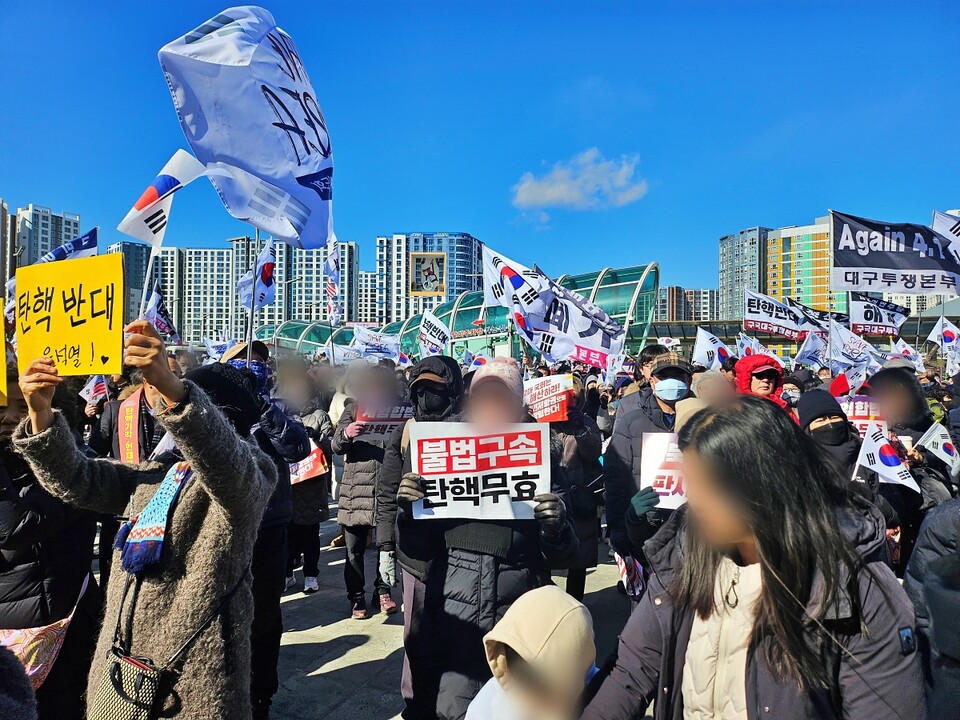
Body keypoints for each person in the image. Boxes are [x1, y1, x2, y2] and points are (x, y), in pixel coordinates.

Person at [582, 396, 925, 720]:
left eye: (709, 485)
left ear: (765, 481)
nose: (694, 499)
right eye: (691, 481)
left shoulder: (856, 588)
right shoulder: (683, 554)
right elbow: (633, 669)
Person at [13, 322, 277, 719]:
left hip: (189, 680)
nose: (156, 406)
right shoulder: (162, 471)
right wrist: (39, 414)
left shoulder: (252, 473)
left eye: (172, 398)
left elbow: (227, 465)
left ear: (216, 414)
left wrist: (177, 393)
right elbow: (78, 480)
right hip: (119, 669)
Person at [388, 357, 580, 720]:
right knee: (450, 707)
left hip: (519, 611)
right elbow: (418, 550)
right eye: (482, 399)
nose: (491, 408)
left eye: (501, 399)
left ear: (520, 405)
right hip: (452, 611)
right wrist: (408, 514)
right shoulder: (440, 452)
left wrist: (556, 526)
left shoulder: (542, 456)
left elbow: (566, 556)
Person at [0, 368, 101, 720]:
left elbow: (17, 530)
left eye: (22, 404)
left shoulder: (73, 464)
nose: (11, 416)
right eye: (1, 406)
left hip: (54, 629)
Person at [223, 341, 310, 720]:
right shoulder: (207, 405)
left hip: (269, 525)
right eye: (242, 361)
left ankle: (261, 697)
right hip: (221, 529)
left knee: (264, 618)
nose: (252, 366)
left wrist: (261, 409)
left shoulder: (276, 407)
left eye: (258, 362)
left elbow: (297, 447)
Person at [603, 352, 692, 560]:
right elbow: (616, 478)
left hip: (694, 530)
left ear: (688, 380)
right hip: (645, 529)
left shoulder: (706, 418)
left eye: (678, 377)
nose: (672, 382)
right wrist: (618, 527)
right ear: (652, 381)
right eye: (664, 376)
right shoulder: (630, 423)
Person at [464, 586, 596, 720]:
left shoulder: (603, 699)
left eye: (542, 685)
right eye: (512, 658)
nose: (525, 686)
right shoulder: (490, 701)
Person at [331, 364, 398, 619]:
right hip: (356, 489)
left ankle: (383, 591)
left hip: (386, 488)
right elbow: (336, 445)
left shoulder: (399, 411)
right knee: (354, 549)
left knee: (386, 546)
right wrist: (347, 433)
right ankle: (356, 596)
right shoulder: (353, 408)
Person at [869, 366, 953, 570]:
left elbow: (945, 455)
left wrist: (921, 457)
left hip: (920, 498)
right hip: (888, 497)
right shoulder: (873, 421)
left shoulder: (926, 422)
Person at [797, 390, 899, 532]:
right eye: (820, 420)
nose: (829, 423)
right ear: (808, 429)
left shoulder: (868, 453)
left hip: (871, 544)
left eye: (833, 417)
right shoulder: (799, 462)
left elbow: (894, 512)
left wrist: (860, 494)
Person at [551, 376, 603, 601]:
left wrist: (580, 430)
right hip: (550, 494)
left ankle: (575, 603)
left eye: (572, 395)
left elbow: (594, 453)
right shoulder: (540, 423)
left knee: (579, 560)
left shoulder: (586, 422)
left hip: (579, 496)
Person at [614, 344, 668, 422]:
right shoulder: (628, 402)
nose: (656, 368)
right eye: (651, 364)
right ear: (641, 369)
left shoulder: (680, 396)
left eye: (661, 363)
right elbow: (620, 431)